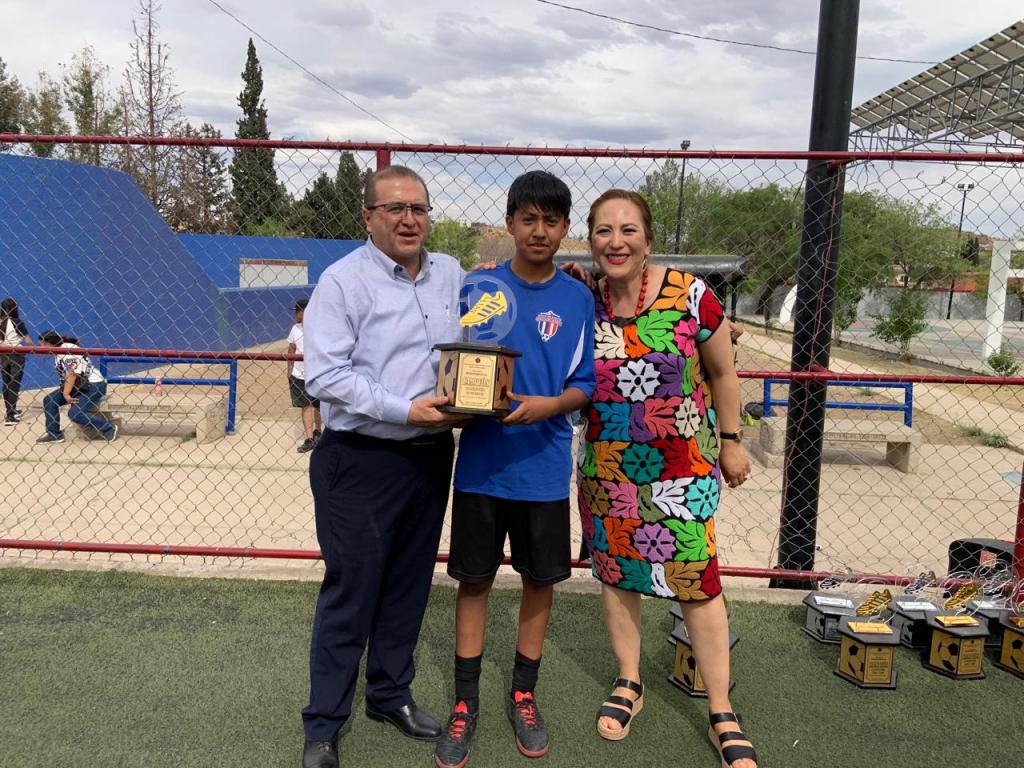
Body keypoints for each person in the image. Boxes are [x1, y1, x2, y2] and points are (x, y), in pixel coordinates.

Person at [578, 190, 757, 768]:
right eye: (603, 231)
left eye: (628, 230)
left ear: (648, 240)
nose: (616, 241)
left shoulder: (691, 295)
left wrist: (732, 441)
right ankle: (630, 680)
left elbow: (724, 372)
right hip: (608, 468)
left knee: (697, 582)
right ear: (591, 241)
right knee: (618, 575)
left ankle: (722, 709)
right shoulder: (586, 300)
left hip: (685, 467)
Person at [299, 166, 467, 768]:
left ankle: (389, 695)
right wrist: (404, 410)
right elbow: (322, 374)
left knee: (407, 587)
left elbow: (488, 331)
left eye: (418, 208)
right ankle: (323, 725)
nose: (408, 219)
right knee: (352, 592)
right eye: (394, 208)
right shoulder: (343, 282)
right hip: (361, 459)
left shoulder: (451, 273)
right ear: (367, 217)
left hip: (429, 457)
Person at [434, 171, 596, 768]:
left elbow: (584, 384)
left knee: (538, 582)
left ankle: (523, 694)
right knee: (473, 582)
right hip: (479, 469)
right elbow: (450, 363)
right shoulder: (476, 288)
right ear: (509, 223)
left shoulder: (579, 298)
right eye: (527, 218)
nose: (539, 230)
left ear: (565, 228)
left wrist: (549, 407)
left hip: (545, 471)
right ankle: (465, 700)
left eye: (551, 221)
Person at [36, 331, 118, 444]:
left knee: (75, 414)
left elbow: (72, 374)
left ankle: (108, 428)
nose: (41, 347)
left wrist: (66, 394)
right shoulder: (59, 351)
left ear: (50, 343)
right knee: (49, 400)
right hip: (78, 386)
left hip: (93, 385)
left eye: (43, 344)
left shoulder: (67, 350)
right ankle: (54, 435)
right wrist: (67, 391)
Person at [287, 298, 323, 453]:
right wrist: (289, 370)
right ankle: (309, 438)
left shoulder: (318, 329)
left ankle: (318, 432)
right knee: (305, 406)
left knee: (318, 406)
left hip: (316, 374)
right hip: (299, 374)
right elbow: (291, 348)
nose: (295, 314)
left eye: (298, 311)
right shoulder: (295, 329)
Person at [1, 297, 32, 426]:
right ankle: (10, 416)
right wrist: (31, 349)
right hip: (16, 355)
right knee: (14, 383)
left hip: (2, 354)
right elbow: (28, 341)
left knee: (6, 382)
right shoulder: (17, 322)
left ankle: (10, 409)